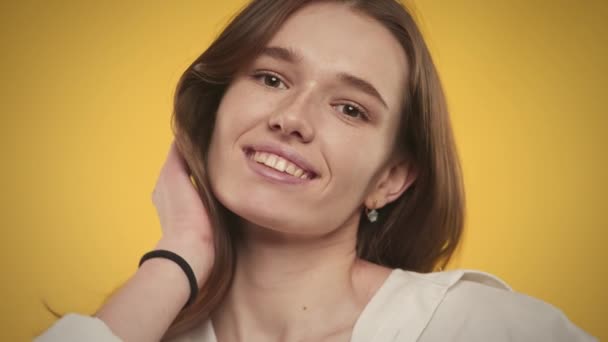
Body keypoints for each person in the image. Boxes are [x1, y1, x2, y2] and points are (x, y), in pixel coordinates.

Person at [36, 0, 597, 341]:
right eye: (271, 78)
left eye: (349, 109)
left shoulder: (481, 330)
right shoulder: (140, 328)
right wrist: (179, 251)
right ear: (215, 110)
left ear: (390, 178)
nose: (292, 119)